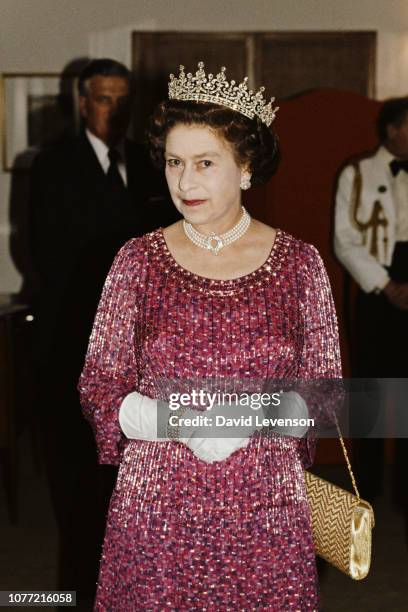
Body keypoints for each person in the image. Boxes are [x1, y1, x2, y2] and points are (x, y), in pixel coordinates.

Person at [79, 61, 342, 610]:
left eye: (204, 162)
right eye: (174, 162)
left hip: (264, 503)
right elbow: (99, 387)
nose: (184, 181)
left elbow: (325, 395)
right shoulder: (136, 261)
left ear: (245, 167)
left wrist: (245, 420)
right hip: (156, 504)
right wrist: (179, 421)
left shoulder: (300, 264)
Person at [29, 58, 178, 598]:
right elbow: (43, 250)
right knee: (77, 473)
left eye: (121, 99)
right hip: (73, 337)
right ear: (82, 102)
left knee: (127, 471)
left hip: (139, 345)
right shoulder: (53, 163)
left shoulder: (150, 162)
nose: (112, 110)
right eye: (102, 98)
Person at [334, 97, 408, 511]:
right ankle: (367, 486)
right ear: (392, 130)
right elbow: (345, 238)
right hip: (377, 282)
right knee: (373, 387)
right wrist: (386, 285)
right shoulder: (358, 172)